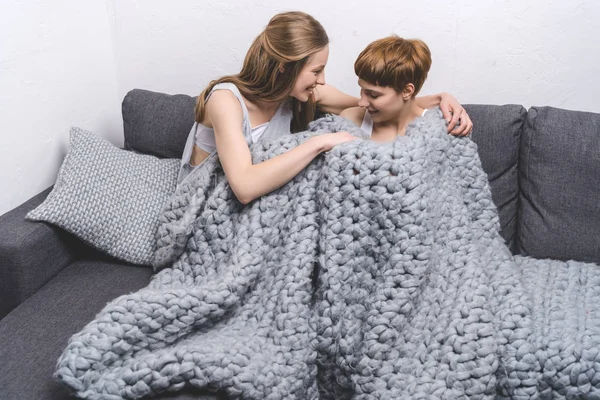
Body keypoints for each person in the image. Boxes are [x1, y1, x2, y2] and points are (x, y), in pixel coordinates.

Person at [178, 11, 472, 204]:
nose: (322, 80)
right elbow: (243, 187)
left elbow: (372, 104)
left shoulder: (299, 94)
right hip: (205, 209)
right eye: (316, 71)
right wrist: (320, 143)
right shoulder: (225, 101)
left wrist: (438, 98)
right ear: (285, 68)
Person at [340, 35, 440, 141]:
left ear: (407, 91)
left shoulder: (436, 130)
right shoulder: (351, 121)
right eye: (362, 90)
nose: (361, 103)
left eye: (373, 95)